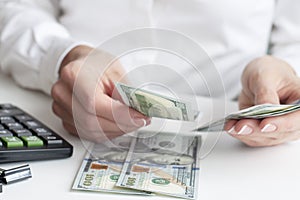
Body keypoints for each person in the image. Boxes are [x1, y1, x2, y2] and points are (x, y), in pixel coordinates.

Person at [1, 1, 300, 147]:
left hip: (237, 145)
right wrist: (65, 57)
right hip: (62, 121)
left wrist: (286, 73)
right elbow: (17, 8)